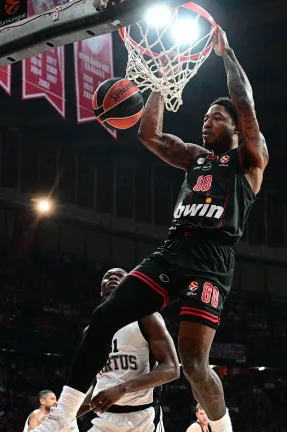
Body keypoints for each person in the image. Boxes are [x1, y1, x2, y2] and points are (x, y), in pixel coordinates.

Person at [33, 26, 268, 432]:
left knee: (193, 365)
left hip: (211, 261)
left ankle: (222, 428)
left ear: (235, 128)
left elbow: (244, 101)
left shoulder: (248, 161)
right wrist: (161, 81)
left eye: (216, 118)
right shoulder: (195, 158)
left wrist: (226, 54)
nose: (206, 123)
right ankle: (63, 416)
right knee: (104, 317)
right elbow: (149, 134)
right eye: (204, 118)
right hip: (174, 250)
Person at [75, 268, 179, 432]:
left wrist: (122, 388)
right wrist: (66, 414)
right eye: (107, 276)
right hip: (105, 419)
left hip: (142, 420)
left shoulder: (146, 316)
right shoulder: (90, 331)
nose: (113, 278)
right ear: (101, 290)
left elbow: (172, 369)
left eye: (120, 276)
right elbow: (98, 383)